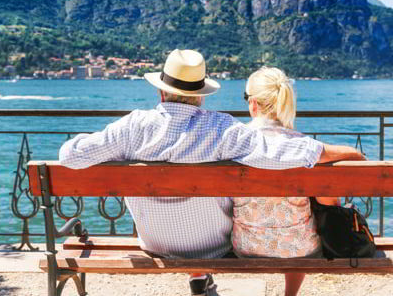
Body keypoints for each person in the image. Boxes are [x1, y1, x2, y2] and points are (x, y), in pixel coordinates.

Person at [58, 49, 364, 296]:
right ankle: (201, 272)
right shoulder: (220, 127)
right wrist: (343, 152)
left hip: (153, 244)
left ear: (161, 92)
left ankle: (199, 277)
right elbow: (280, 153)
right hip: (214, 247)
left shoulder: (132, 126)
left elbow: (69, 156)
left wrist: (101, 140)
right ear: (200, 95)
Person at [232, 66, 363, 296]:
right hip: (300, 249)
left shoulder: (232, 142)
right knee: (301, 220)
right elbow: (357, 157)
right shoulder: (304, 147)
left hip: (245, 246)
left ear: (253, 103)